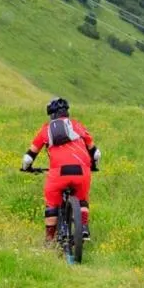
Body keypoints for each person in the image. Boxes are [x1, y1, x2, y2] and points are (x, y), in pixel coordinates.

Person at [21, 97, 101, 243]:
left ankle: (50, 240)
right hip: (82, 171)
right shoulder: (77, 126)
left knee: (52, 203)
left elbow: (28, 158)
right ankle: (83, 228)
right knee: (82, 200)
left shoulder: (46, 129)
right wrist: (94, 165)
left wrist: (27, 168)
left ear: (51, 115)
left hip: (58, 173)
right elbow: (96, 153)